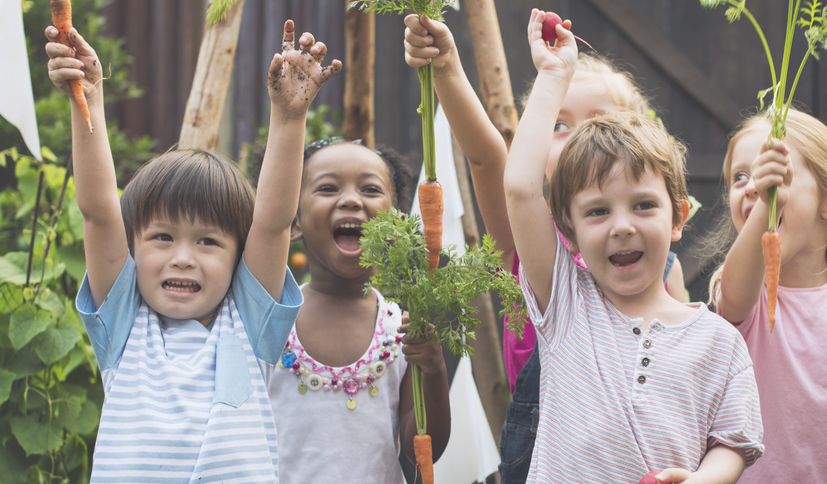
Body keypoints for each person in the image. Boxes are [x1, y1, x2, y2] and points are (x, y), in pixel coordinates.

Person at [48, 20, 340, 482]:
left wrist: (289, 118)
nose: (183, 257)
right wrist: (89, 100)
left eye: (208, 242)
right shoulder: (123, 323)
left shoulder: (249, 321)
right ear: (133, 247)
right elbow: (100, 212)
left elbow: (271, 222)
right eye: (162, 237)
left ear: (238, 256)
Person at [402, 13, 687, 483]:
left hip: (643, 449)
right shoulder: (530, 240)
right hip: (546, 452)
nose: (579, 137)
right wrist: (447, 65)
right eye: (559, 124)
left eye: (601, 122)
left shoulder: (658, 259)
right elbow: (486, 157)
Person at [502, 10, 763, 483]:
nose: (621, 226)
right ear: (570, 227)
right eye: (598, 212)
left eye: (643, 205)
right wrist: (553, 75)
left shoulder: (719, 341)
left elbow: (734, 442)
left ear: (679, 217)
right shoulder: (566, 302)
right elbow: (520, 187)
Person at [704, 108, 827, 484]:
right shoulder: (742, 291)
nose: (754, 186)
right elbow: (734, 295)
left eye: (777, 174)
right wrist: (769, 200)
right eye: (741, 177)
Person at [255, 137, 452, 483]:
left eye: (370, 189)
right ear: (294, 221)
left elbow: (422, 450)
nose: (350, 199)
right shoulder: (274, 320)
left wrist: (434, 371)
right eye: (328, 188)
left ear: (396, 224)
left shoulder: (402, 328)